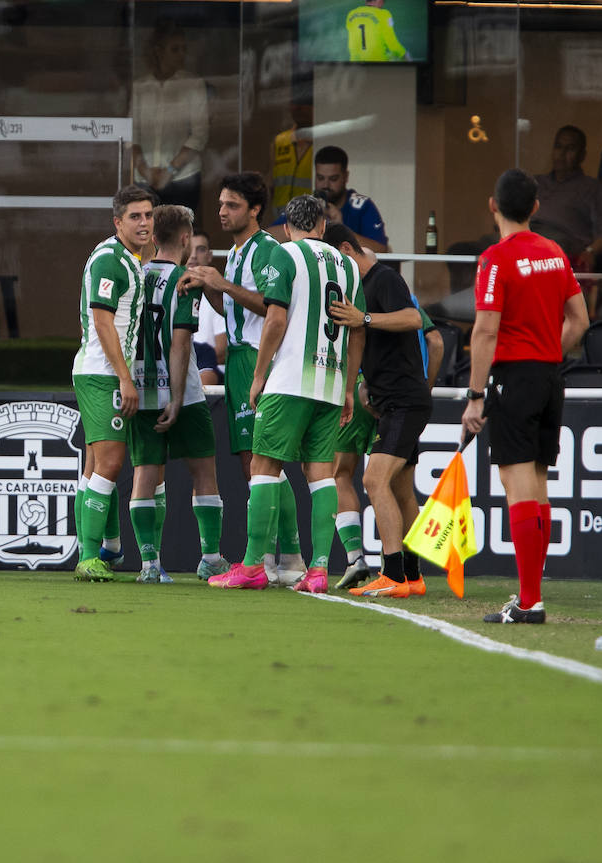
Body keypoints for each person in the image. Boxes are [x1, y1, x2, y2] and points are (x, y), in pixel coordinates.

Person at [210, 194, 364, 592]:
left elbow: (275, 317)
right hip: (329, 383)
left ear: (286, 226)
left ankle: (251, 567)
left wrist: (259, 375)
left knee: (263, 469)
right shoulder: (348, 264)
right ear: (324, 226)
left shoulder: (285, 254)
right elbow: (358, 328)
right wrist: (348, 388)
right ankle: (317, 570)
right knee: (321, 476)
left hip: (291, 379)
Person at [462, 169, 589, 623]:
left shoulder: (496, 259)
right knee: (537, 485)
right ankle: (530, 597)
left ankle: (530, 602)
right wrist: (548, 351)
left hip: (514, 378)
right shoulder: (555, 253)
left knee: (518, 487)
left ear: (492, 205)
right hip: (549, 376)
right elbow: (580, 319)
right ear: (535, 208)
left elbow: (485, 330)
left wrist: (476, 396)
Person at [181, 172, 306, 586]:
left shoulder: (267, 249)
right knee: (251, 462)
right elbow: (233, 307)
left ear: (255, 209)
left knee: (262, 461)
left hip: (257, 357)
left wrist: (222, 283)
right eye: (220, 204)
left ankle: (275, 559)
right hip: (237, 355)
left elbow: (273, 307)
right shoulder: (235, 252)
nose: (222, 211)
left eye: (232, 205)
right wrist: (207, 284)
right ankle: (284, 558)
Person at [324, 223, 434, 597]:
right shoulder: (362, 286)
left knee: (373, 481)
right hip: (390, 400)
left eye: (334, 260)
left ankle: (393, 574)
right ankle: (414, 575)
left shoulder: (384, 278)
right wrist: (367, 381)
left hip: (404, 401)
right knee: (403, 492)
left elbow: (414, 319)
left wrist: (364, 319)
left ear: (346, 249)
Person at [130, 204, 228, 583]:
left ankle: (149, 565)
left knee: (145, 473)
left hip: (139, 389)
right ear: (186, 238)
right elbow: (181, 342)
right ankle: (210, 557)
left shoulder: (135, 275)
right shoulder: (184, 281)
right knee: (204, 469)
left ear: (154, 237)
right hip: (182, 393)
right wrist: (174, 395)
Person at [70, 185, 152, 582]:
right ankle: (88, 556)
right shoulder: (109, 260)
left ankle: (105, 549)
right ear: (117, 222)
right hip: (102, 373)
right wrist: (124, 376)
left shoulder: (127, 259)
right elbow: (102, 321)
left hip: (100, 370)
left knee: (96, 464)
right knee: (110, 462)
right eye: (135, 216)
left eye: (148, 215)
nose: (144, 223)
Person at [130, 19, 208, 214]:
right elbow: (131, 134)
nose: (182, 54)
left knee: (180, 235)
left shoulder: (193, 84)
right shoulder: (141, 87)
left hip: (183, 178)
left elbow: (200, 134)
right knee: (145, 236)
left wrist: (169, 171)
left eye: (184, 49)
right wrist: (146, 171)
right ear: (158, 51)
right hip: (144, 179)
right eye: (175, 49)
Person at [272, 146, 389, 253]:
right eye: (320, 178)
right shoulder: (304, 204)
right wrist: (304, 225)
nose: (326, 185)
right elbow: (270, 237)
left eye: (333, 179)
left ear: (346, 176)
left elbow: (381, 249)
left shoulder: (361, 206)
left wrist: (342, 229)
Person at [533, 126, 602, 279]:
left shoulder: (592, 188)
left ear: (582, 155)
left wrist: (589, 252)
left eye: (570, 149)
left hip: (561, 246)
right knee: (481, 246)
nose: (561, 154)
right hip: (526, 240)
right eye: (558, 147)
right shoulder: (535, 183)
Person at [187, 229, 224, 385]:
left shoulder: (219, 296)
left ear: (209, 256)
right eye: (189, 248)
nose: (194, 255)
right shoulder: (168, 290)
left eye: (200, 249)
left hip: (210, 375)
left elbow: (222, 351)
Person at [268, 99, 314, 214]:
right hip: (281, 217)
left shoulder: (324, 141)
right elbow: (271, 183)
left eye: (305, 103)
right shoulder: (280, 141)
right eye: (295, 103)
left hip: (311, 217)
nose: (298, 108)